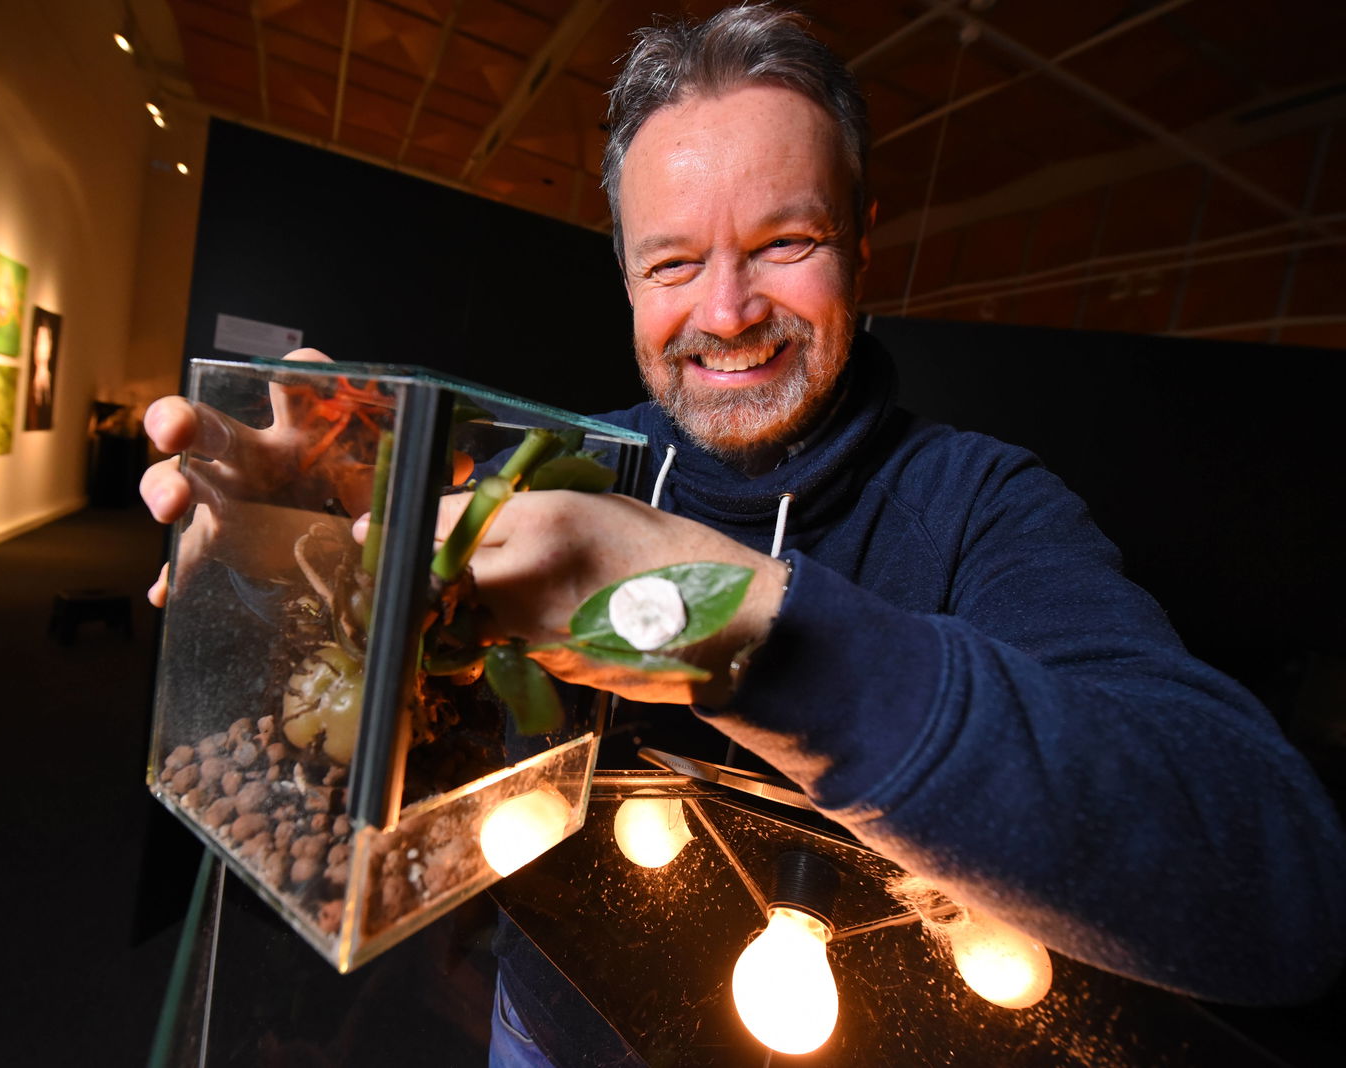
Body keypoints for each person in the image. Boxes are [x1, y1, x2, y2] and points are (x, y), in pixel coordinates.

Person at [141, 0, 1345, 1023]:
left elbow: (1280, 885)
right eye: (672, 264)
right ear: (623, 272)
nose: (724, 312)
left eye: (785, 243)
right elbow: (397, 730)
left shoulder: (983, 505)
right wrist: (290, 550)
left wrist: (718, 621)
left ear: (862, 250)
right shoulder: (564, 468)